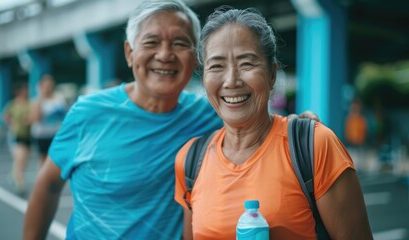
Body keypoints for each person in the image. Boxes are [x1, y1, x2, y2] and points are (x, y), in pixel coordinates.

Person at [24, 1, 318, 239]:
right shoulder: (88, 112)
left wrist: (293, 123)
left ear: (195, 59)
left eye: (180, 44)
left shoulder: (209, 113)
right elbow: (48, 185)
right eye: (151, 42)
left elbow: (253, 119)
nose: (165, 55)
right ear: (129, 53)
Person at [174, 8, 373, 240]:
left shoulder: (314, 146)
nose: (231, 81)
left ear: (272, 75)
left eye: (247, 63)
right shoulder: (190, 161)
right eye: (216, 66)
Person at [30, 74, 67, 166]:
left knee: (57, 158)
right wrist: (40, 96)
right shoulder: (36, 100)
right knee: (43, 159)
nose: (48, 86)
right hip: (42, 135)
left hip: (56, 134)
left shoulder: (59, 98)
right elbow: (36, 119)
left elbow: (65, 115)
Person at [2, 82, 31, 195]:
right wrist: (12, 123)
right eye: (24, 89)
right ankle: (20, 185)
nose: (26, 92)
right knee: (19, 159)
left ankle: (14, 175)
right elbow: (5, 116)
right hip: (16, 135)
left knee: (24, 162)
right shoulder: (13, 104)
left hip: (27, 136)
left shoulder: (30, 103)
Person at [345, 98, 367, 170]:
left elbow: (364, 131)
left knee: (360, 163)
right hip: (351, 143)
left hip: (359, 143)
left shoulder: (361, 119)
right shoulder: (349, 119)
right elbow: (347, 131)